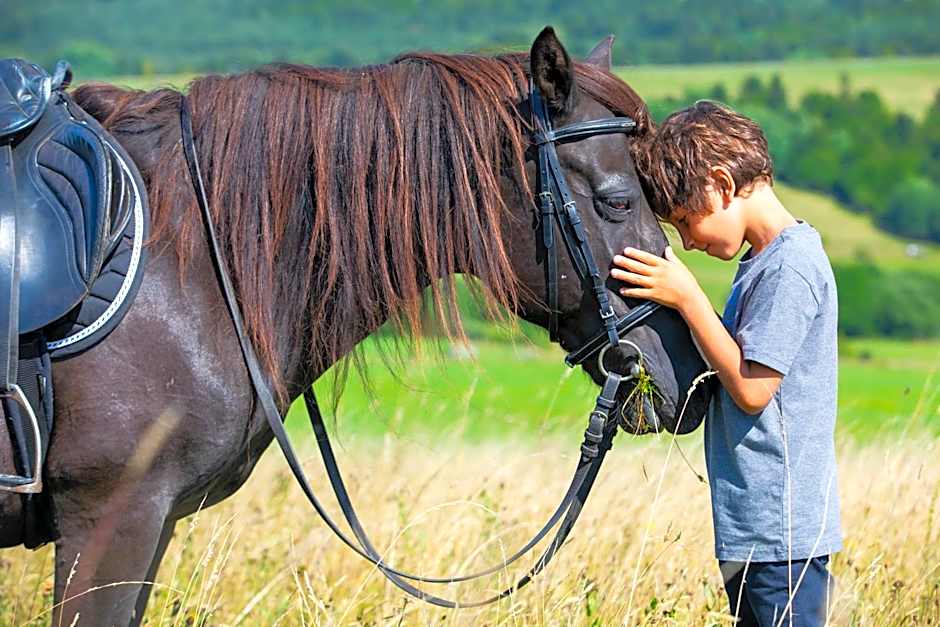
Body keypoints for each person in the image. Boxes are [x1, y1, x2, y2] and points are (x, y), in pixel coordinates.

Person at [612, 100, 841, 626]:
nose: (688, 242)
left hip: (782, 537)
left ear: (720, 184)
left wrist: (689, 299)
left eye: (687, 222)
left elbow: (754, 388)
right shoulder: (762, 263)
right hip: (753, 528)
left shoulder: (791, 266)